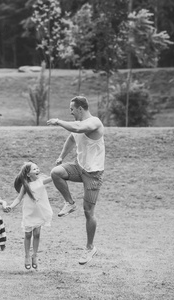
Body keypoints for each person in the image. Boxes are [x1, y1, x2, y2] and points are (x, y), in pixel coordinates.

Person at [46, 95, 105, 265]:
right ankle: (70, 202)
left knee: (88, 212)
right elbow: (72, 137)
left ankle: (89, 247)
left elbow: (79, 130)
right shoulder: (77, 125)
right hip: (79, 168)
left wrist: (58, 122)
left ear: (80, 108)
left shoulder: (94, 122)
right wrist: (61, 157)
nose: (70, 112)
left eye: (72, 109)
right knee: (56, 172)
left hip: (93, 173)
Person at [4, 162, 53, 270]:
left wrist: (60, 167)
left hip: (40, 212)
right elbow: (18, 198)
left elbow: (54, 176)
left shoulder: (41, 181)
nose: (37, 170)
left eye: (37, 168)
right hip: (29, 212)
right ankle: (27, 256)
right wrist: (11, 206)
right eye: (34, 169)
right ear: (28, 174)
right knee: (27, 235)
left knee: (37, 233)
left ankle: (34, 255)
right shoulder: (25, 186)